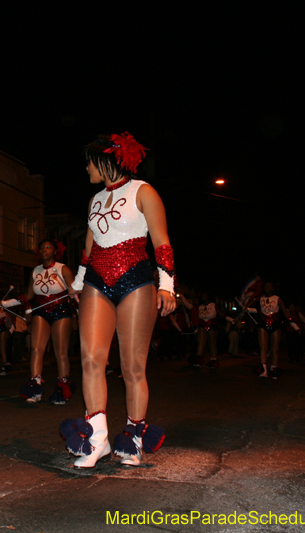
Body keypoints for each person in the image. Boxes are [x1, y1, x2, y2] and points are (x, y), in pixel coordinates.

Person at [59, 132, 175, 468]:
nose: (86, 169)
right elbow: (89, 250)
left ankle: (133, 438)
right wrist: (79, 283)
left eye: (90, 162)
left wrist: (166, 285)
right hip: (96, 281)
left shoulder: (143, 191)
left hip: (136, 280)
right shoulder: (95, 201)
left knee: (131, 367)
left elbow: (161, 242)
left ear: (106, 160)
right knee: (91, 358)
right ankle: (97, 440)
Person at [6, 239, 77, 404]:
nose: (44, 250)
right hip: (40, 310)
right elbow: (28, 296)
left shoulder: (62, 268)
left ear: (55, 251)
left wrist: (80, 303)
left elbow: (74, 292)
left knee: (60, 352)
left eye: (48, 247)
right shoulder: (35, 271)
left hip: (61, 310)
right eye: (42, 248)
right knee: (37, 349)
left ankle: (62, 390)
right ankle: (35, 388)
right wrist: (5, 303)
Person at [250, 281, 296, 379]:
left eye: (270, 285)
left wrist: (294, 324)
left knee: (274, 348)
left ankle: (273, 369)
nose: (267, 287)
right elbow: (259, 310)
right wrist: (249, 310)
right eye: (266, 285)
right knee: (263, 347)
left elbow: (285, 312)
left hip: (275, 323)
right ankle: (264, 370)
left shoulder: (278, 299)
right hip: (263, 323)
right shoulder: (260, 298)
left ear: (273, 288)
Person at [180, 292, 223, 369]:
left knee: (211, 343)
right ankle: (198, 360)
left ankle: (213, 361)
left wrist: (229, 319)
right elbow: (187, 305)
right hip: (200, 326)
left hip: (210, 325)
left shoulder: (212, 305)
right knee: (200, 343)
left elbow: (220, 314)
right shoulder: (197, 307)